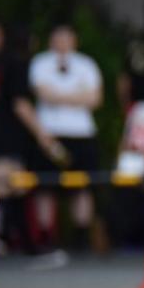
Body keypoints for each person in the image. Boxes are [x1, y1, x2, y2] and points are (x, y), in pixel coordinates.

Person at [0, 20, 68, 257]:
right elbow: (21, 104)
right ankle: (19, 242)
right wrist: (44, 136)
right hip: (5, 135)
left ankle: (10, 239)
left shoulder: (5, 63)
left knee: (5, 186)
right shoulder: (15, 63)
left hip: (1, 133)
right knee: (10, 186)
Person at [29, 24, 103, 255]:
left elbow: (94, 99)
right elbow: (43, 94)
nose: (62, 41)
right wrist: (77, 95)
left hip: (82, 133)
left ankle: (81, 235)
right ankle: (45, 235)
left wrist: (59, 95)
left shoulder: (86, 63)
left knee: (83, 185)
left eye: (67, 37)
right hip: (50, 132)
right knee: (46, 185)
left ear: (74, 40)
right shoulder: (41, 62)